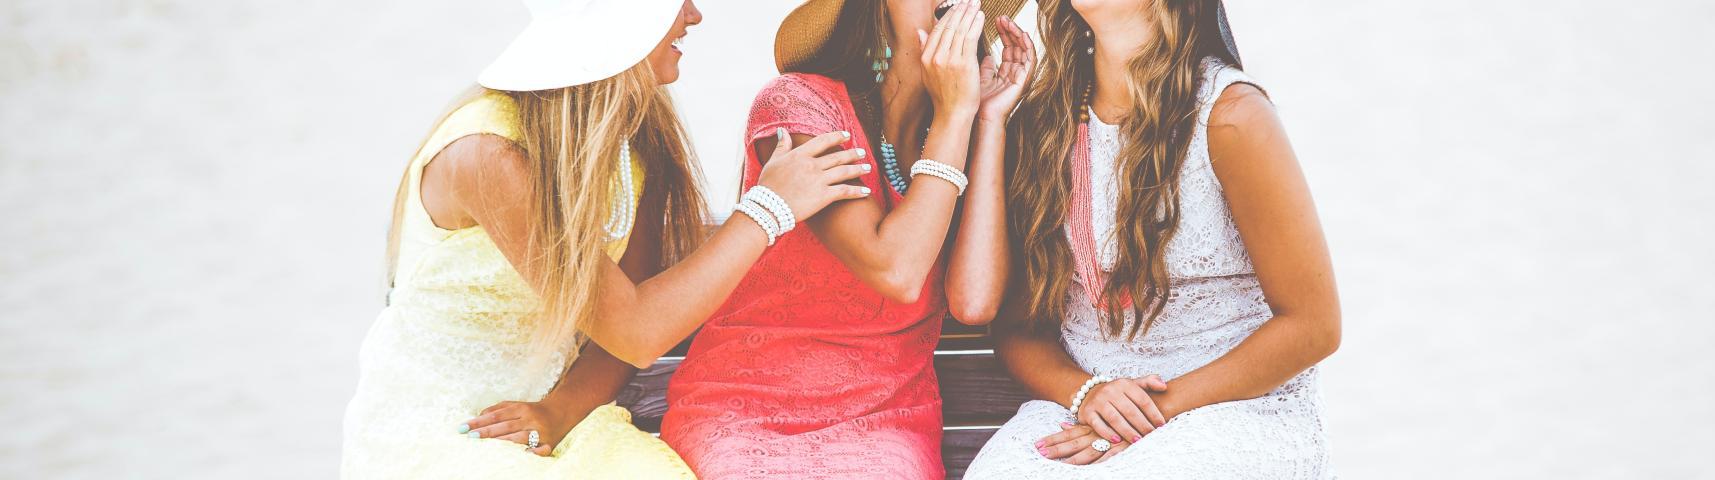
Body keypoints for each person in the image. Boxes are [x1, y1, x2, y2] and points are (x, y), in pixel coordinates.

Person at [340, 0, 873, 477]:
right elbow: (637, 330)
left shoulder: (635, 133)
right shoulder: (488, 155)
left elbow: (629, 322)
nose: (693, 14)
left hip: (563, 411)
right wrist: (767, 208)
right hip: (444, 423)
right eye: (674, 2)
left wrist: (559, 412)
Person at [960, 0, 1342, 478]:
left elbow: (1313, 325)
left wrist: (1143, 416)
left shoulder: (1231, 117)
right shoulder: (1044, 121)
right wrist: (1087, 393)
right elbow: (1020, 328)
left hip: (1236, 406)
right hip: (1086, 405)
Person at [657, 0, 1032, 478]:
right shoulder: (797, 103)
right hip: (745, 410)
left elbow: (973, 303)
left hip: (886, 418)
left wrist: (986, 121)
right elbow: (893, 269)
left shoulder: (965, 129)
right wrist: (955, 119)